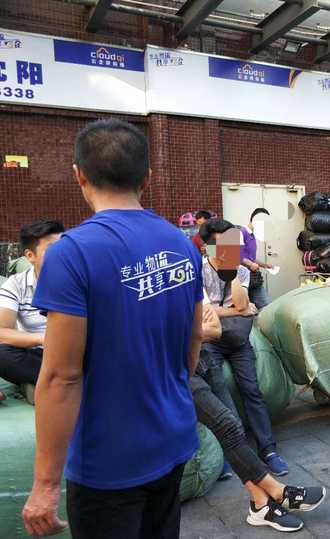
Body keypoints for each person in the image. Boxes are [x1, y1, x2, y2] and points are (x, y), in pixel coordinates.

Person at [22, 119, 204, 539]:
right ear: (148, 177)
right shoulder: (181, 243)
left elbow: (61, 375)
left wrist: (45, 485)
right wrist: (168, 391)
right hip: (172, 438)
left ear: (79, 174)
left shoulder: (71, 253)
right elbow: (194, 337)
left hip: (108, 462)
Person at [195, 305, 325, 531]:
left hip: (200, 357)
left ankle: (261, 504)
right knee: (227, 426)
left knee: (232, 426)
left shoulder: (184, 274)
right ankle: (278, 491)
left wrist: (190, 331)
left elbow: (215, 329)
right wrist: (195, 329)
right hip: (173, 370)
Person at [200, 218, 289, 477]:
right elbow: (207, 312)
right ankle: (231, 454)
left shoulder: (241, 270)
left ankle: (268, 449)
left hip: (239, 341)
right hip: (211, 343)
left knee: (252, 390)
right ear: (208, 247)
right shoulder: (199, 271)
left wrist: (231, 272)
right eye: (222, 244)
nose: (229, 248)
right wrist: (235, 310)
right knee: (220, 395)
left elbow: (242, 304)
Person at [0, 220, 64, 403]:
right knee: (2, 354)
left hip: (76, 352)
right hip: (39, 356)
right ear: (30, 255)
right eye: (52, 250)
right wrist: (43, 339)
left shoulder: (81, 278)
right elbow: (3, 332)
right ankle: (64, 385)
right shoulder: (16, 285)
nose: (62, 255)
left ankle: (41, 387)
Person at [241, 208, 274, 310]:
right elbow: (237, 256)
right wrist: (250, 264)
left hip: (254, 279)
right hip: (242, 280)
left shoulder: (252, 235)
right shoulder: (241, 232)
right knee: (246, 310)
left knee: (267, 307)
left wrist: (264, 265)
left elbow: (251, 258)